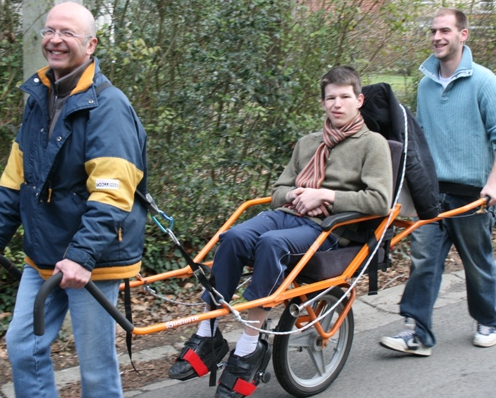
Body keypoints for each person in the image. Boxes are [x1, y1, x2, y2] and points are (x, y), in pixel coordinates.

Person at [168, 66, 393, 397]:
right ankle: (208, 332)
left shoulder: (372, 144)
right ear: (322, 103)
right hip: (289, 214)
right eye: (331, 98)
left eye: (345, 97)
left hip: (329, 227)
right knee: (231, 237)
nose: (337, 104)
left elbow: (379, 200)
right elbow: (278, 190)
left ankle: (248, 347)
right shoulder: (308, 143)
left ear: (358, 100)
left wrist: (325, 195)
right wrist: (293, 195)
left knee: (272, 245)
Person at [0, 2, 147, 397]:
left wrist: (82, 255)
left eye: (67, 33)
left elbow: (112, 191)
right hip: (44, 252)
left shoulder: (109, 106)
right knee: (23, 346)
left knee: (96, 367)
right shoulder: (39, 97)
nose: (55, 40)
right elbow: (18, 176)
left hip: (93, 260)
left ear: (90, 45)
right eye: (50, 31)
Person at [380, 8, 496, 357]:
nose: (437, 37)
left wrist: (495, 183)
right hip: (432, 192)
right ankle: (418, 333)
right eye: (433, 31)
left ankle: (488, 320)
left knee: (477, 262)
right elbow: (421, 141)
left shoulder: (485, 82)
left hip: (472, 195)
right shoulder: (426, 85)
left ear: (463, 35)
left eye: (445, 30)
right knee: (424, 259)